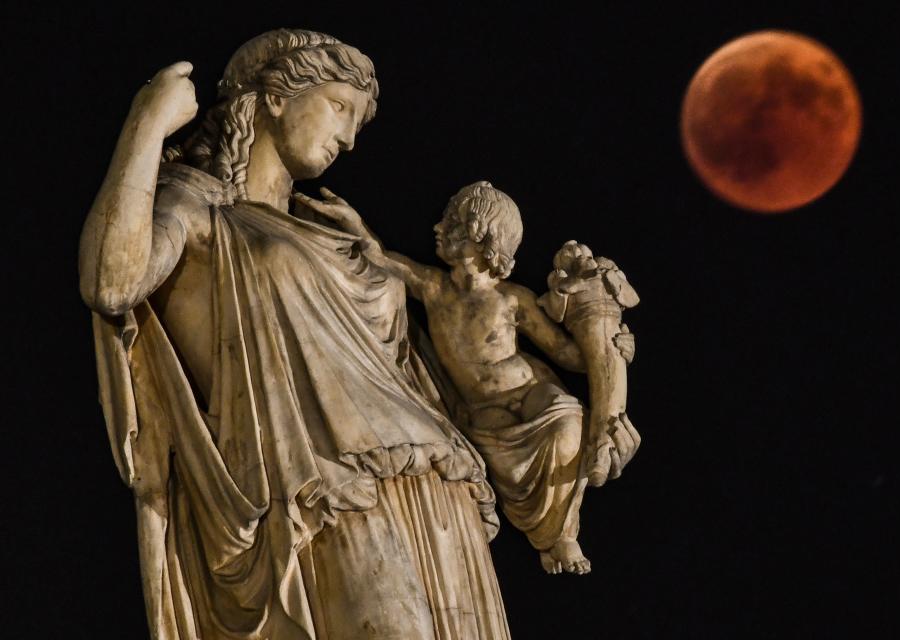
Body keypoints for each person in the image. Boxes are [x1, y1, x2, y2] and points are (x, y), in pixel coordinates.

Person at [79, 29, 511, 640]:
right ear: (278, 96)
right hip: (323, 495)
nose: (349, 138)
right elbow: (109, 284)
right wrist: (146, 125)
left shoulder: (332, 229)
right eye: (340, 107)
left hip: (437, 488)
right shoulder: (198, 206)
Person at [296, 180, 618, 575]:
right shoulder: (434, 288)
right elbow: (380, 258)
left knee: (567, 421)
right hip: (483, 410)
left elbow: (566, 353)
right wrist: (354, 224)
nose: (439, 228)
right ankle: (549, 537)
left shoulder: (512, 298)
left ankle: (565, 533)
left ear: (483, 237)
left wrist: (603, 346)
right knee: (508, 462)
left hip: (531, 389)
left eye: (453, 224)